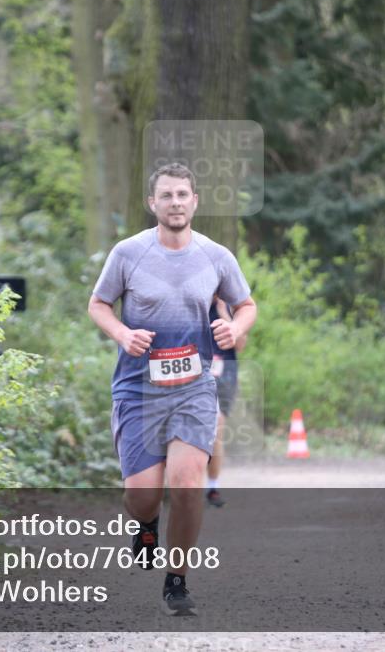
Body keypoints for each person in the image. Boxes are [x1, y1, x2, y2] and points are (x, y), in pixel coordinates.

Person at [87, 162, 256, 616]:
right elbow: (99, 303)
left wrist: (233, 328)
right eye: (167, 196)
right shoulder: (128, 253)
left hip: (194, 387)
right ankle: (146, 524)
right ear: (153, 203)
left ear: (195, 201)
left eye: (183, 195)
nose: (176, 202)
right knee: (140, 496)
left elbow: (247, 305)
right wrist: (122, 334)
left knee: (186, 485)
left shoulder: (217, 256)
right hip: (138, 390)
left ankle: (176, 581)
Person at [206, 295, 245, 508]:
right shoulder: (187, 298)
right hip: (190, 373)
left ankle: (212, 487)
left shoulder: (229, 304)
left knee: (216, 429)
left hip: (224, 374)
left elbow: (240, 344)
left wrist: (223, 310)